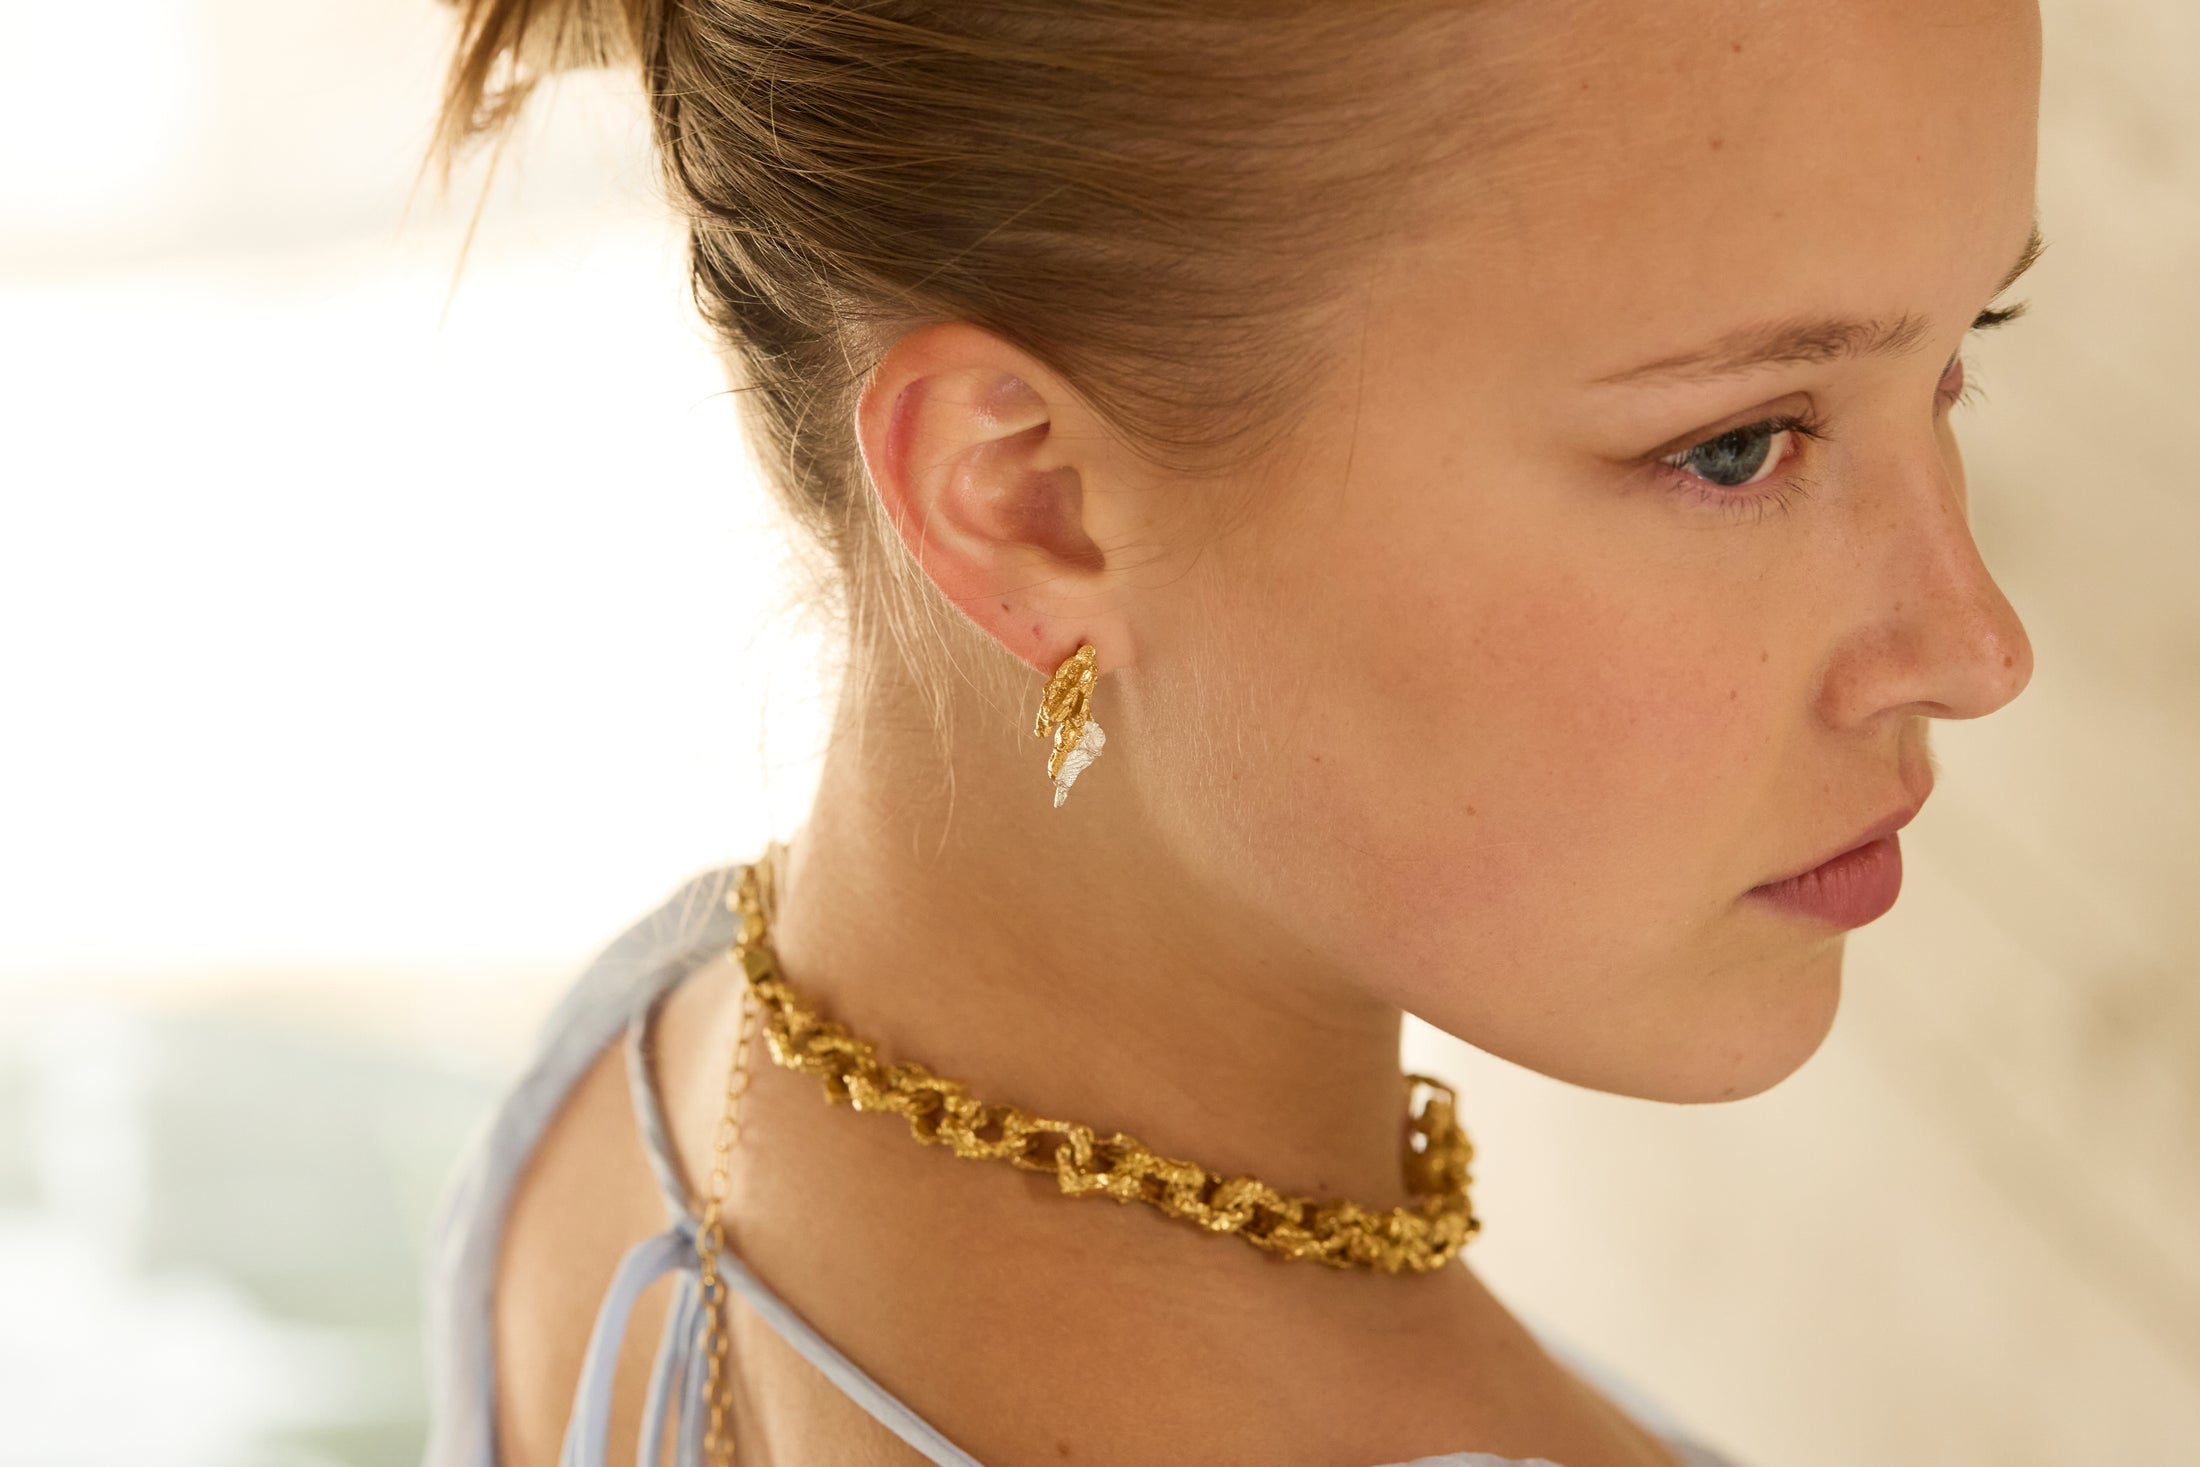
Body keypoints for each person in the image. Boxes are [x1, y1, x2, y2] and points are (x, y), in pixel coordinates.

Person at [418, 2, 2042, 1464]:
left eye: (1961, 358)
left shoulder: (640, 1075)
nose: (1976, 649)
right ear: (1030, 501)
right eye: (1742, 445)